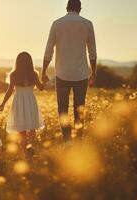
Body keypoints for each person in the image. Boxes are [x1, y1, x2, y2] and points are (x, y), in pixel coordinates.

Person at [42, 0, 97, 142]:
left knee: (63, 109)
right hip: (81, 74)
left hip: (62, 74)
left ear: (67, 8)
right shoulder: (87, 24)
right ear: (80, 8)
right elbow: (92, 52)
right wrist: (94, 72)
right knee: (79, 108)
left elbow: (49, 50)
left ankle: (67, 140)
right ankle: (78, 139)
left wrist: (43, 71)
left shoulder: (57, 23)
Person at [0, 52, 45, 152]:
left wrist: (3, 103)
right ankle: (31, 146)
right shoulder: (33, 74)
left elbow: (10, 90)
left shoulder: (14, 75)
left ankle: (24, 148)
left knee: (21, 126)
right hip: (30, 100)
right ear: (30, 62)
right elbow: (41, 88)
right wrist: (44, 81)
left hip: (19, 101)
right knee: (32, 125)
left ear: (17, 62)